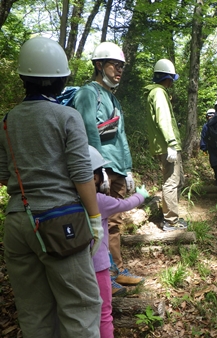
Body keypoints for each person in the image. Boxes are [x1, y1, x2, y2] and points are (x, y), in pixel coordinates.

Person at [0, 36, 102, 337]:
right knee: (80, 306)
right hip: (61, 224)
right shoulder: (66, 116)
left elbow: (3, 174)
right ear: (60, 81)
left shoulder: (7, 121)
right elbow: (82, 173)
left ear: (24, 78)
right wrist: (94, 219)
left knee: (34, 311)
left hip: (17, 221)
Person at [72, 41, 143, 295]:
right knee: (97, 222)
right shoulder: (87, 93)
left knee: (114, 222)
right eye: (115, 65)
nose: (119, 70)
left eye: (122, 66)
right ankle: (100, 275)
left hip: (117, 169)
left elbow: (121, 136)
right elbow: (87, 130)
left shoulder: (113, 98)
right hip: (99, 170)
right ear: (99, 65)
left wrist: (128, 168)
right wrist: (96, 167)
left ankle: (116, 270)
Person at [88, 146, 149, 338]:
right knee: (104, 313)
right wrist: (141, 196)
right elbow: (125, 204)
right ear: (96, 177)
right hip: (98, 266)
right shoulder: (99, 200)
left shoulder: (67, 201)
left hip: (75, 266)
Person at [144, 59, 187, 231]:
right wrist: (171, 143)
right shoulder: (159, 93)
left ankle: (171, 216)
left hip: (166, 144)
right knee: (171, 181)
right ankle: (170, 221)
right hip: (167, 145)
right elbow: (164, 120)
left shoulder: (156, 92)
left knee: (179, 180)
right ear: (167, 78)